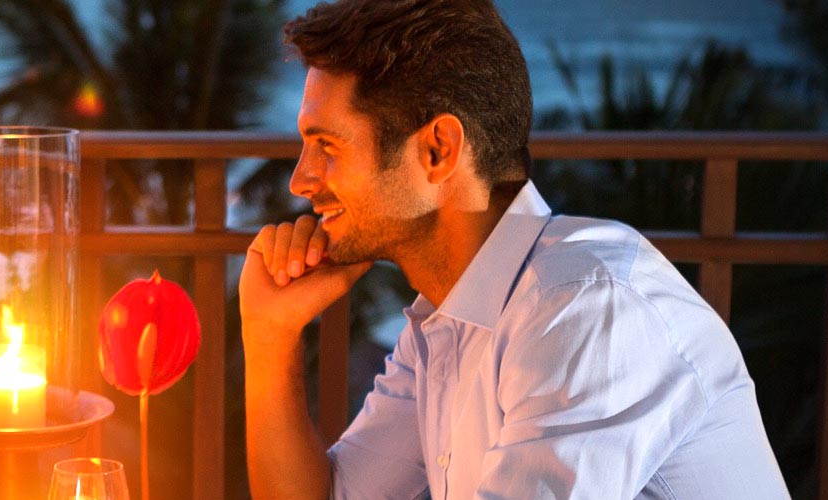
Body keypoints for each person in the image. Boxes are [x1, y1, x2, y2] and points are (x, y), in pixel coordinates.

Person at [238, 1, 789, 498]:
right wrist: (269, 337)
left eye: (326, 145)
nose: (300, 180)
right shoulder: (448, 322)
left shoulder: (586, 307)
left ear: (437, 149)